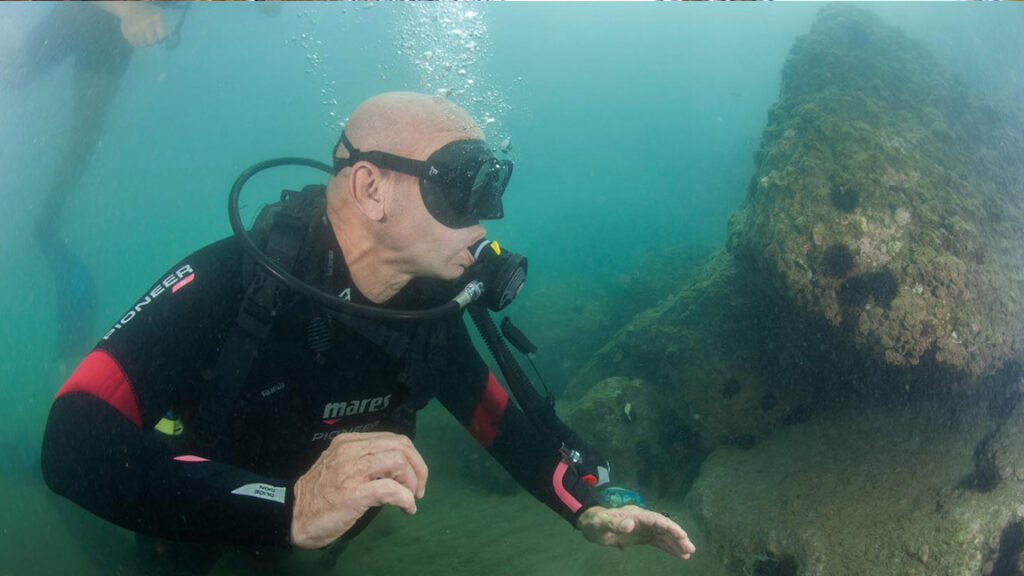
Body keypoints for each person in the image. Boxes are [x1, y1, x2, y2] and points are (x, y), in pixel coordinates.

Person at [41, 92, 696, 574]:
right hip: (191, 518)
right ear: (370, 187)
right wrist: (288, 510)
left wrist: (589, 507)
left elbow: (501, 425)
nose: (487, 221)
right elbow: (72, 438)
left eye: (492, 189)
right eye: (462, 187)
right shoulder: (234, 283)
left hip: (309, 540)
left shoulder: (429, 316)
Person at [1, 2, 168, 361]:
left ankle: (48, 217)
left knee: (85, 135)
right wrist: (129, 9)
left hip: (116, 29)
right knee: (14, 72)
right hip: (89, 10)